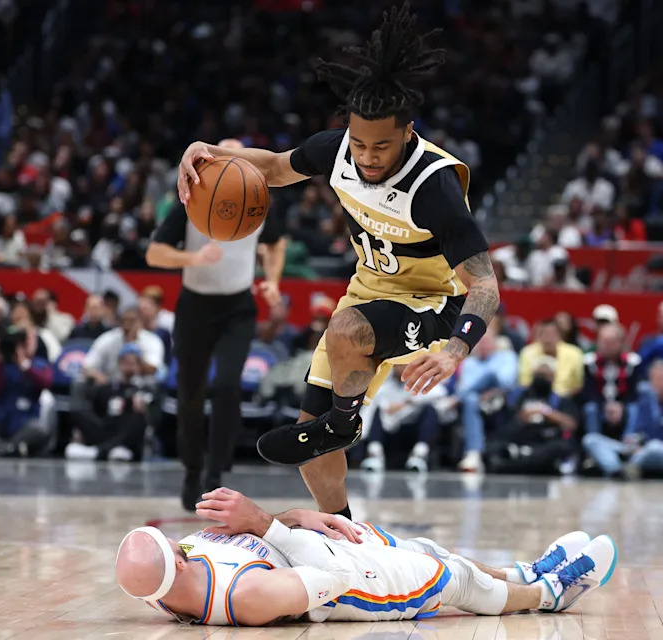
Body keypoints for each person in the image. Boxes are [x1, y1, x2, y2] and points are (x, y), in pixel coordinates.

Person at [177, 7, 500, 521]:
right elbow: (278, 169)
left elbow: (485, 284)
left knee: (345, 332)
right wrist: (208, 152)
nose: (368, 157)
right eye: (360, 143)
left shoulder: (433, 185)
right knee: (313, 452)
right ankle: (344, 539)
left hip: (432, 303)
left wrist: (455, 351)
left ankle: (344, 422)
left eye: (382, 147)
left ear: (408, 132)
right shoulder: (338, 151)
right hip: (369, 291)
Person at [115, 487, 618, 625]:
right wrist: (265, 522)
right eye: (176, 548)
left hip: (307, 547)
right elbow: (334, 578)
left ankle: (523, 571)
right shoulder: (248, 596)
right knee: (451, 578)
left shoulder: (163, 576)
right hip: (351, 586)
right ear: (176, 563)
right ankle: (549, 594)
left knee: (422, 546)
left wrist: (294, 517)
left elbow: (262, 534)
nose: (185, 541)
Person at [150, 138, 287, 511]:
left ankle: (215, 474)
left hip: (237, 307)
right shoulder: (191, 201)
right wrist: (194, 258)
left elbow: (275, 244)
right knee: (190, 394)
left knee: (227, 385)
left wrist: (273, 280)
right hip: (194, 306)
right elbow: (154, 252)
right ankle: (192, 470)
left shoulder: (254, 196)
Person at [585, 361, 663, 479]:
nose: (658, 383)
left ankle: (629, 467)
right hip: (637, 452)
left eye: (662, 379)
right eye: (654, 379)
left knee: (655, 447)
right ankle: (617, 470)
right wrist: (631, 441)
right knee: (591, 440)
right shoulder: (642, 401)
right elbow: (630, 431)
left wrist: (653, 446)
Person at [487, 357, 579, 475]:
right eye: (538, 374)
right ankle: (520, 456)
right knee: (495, 443)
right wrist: (526, 414)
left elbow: (571, 424)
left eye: (545, 375)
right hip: (522, 436)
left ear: (553, 377)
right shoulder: (521, 395)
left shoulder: (560, 399)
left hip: (546, 439)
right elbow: (512, 417)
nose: (540, 378)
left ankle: (522, 456)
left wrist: (547, 413)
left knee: (560, 447)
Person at [65, 344, 155, 462]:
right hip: (107, 429)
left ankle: (100, 452)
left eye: (133, 363)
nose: (129, 366)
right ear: (119, 363)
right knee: (78, 410)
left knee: (140, 417)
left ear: (139, 366)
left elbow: (152, 417)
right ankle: (107, 449)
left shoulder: (144, 389)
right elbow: (97, 410)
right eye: (125, 362)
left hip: (127, 436)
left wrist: (139, 405)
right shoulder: (109, 388)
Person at [455, 325, 519, 473]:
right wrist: (480, 390)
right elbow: (463, 389)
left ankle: (474, 452)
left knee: (475, 391)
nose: (483, 345)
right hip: (475, 402)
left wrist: (486, 386)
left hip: (501, 401)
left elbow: (506, 382)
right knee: (470, 399)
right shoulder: (469, 362)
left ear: (496, 343)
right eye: (479, 341)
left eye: (486, 341)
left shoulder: (507, 357)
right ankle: (474, 453)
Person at [359, 364, 446, 473]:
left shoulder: (420, 380)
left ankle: (418, 456)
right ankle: (374, 455)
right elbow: (369, 410)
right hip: (389, 430)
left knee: (430, 410)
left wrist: (407, 402)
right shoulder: (383, 383)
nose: (403, 367)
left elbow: (440, 393)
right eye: (399, 364)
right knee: (376, 410)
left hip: (412, 429)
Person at [0, 327, 53, 456]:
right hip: (0, 419)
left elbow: (46, 383)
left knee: (39, 429)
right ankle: (6, 448)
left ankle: (9, 447)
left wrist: (24, 364)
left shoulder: (37, 364)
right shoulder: (1, 366)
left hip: (26, 421)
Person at [517, 319, 584, 398]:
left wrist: (559, 400)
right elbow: (524, 384)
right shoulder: (527, 353)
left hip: (566, 400)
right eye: (544, 334)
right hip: (534, 399)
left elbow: (577, 386)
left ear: (560, 335)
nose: (548, 339)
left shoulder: (574, 353)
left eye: (552, 334)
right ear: (538, 337)